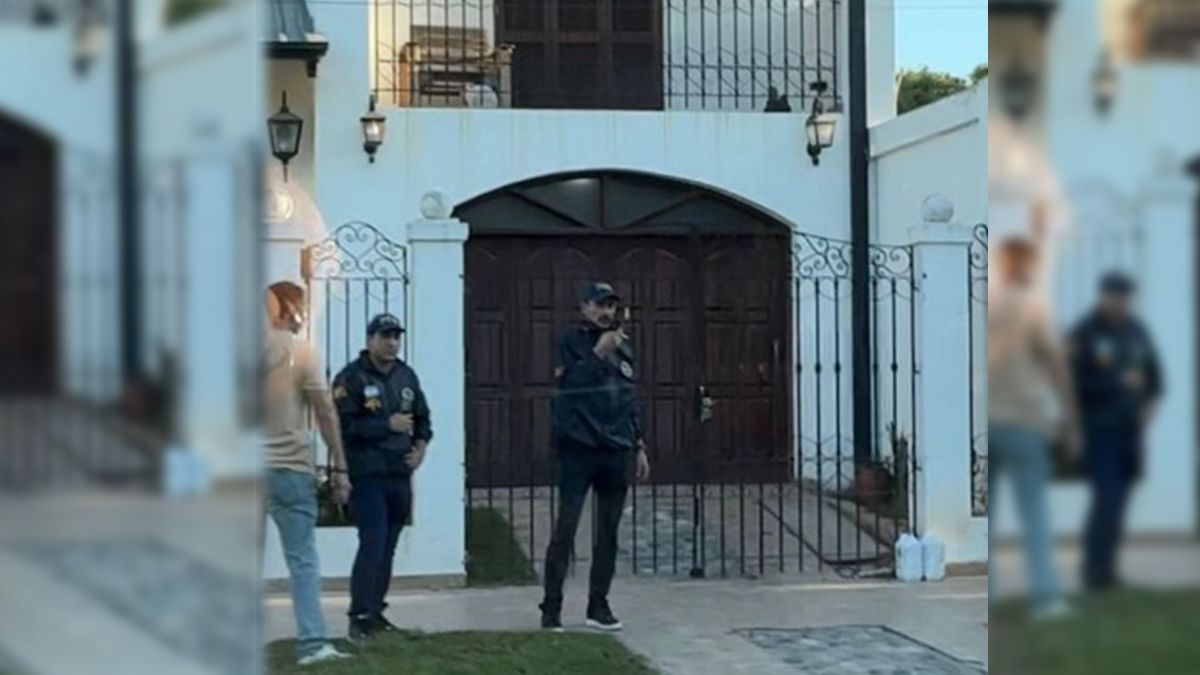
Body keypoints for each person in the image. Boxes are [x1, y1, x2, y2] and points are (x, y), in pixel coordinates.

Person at [539, 282, 651, 633]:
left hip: (615, 450)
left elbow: (628, 398)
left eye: (612, 306)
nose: (607, 312)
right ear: (585, 306)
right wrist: (598, 353)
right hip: (578, 449)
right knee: (566, 528)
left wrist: (639, 444)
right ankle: (551, 608)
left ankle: (598, 605)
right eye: (600, 305)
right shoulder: (570, 342)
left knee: (609, 532)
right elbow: (569, 387)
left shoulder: (623, 347)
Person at [988, 238, 1079, 621]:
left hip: (989, 421)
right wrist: (1071, 419)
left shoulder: (989, 305)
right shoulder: (1033, 306)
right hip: (1024, 421)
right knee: (1035, 514)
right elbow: (1056, 364)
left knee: (990, 515)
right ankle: (1045, 598)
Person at [262, 281, 352, 666]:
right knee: (302, 559)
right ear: (292, 311)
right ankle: (312, 645)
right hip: (288, 467)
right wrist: (340, 465)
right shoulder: (302, 353)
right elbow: (325, 411)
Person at [332, 313, 432, 641]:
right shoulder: (352, 378)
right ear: (370, 339)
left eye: (395, 336)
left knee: (388, 546)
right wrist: (385, 425)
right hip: (368, 473)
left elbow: (423, 419)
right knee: (372, 543)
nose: (392, 343)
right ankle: (359, 616)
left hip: (399, 473)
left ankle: (375, 611)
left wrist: (420, 450)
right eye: (385, 336)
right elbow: (345, 427)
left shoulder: (406, 375)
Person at [1069, 272, 1162, 591]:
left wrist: (1149, 405)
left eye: (1124, 297)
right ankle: (1094, 571)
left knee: (1120, 501)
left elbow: (1154, 376)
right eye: (1115, 296)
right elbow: (1074, 382)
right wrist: (1115, 382)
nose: (1120, 302)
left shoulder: (1136, 331)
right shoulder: (1086, 332)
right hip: (1099, 430)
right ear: (1104, 296)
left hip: (1130, 432)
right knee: (1106, 498)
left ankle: (1107, 569)